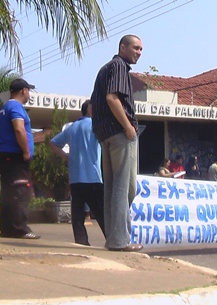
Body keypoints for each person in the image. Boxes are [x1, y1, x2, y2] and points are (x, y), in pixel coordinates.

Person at [90, 34, 143, 252]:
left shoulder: (104, 69)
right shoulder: (119, 67)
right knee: (125, 189)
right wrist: (128, 127)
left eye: (141, 49)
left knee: (112, 189)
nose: (139, 52)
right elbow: (112, 98)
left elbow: (94, 103)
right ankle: (121, 240)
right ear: (123, 47)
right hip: (121, 135)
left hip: (105, 136)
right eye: (136, 48)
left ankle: (113, 239)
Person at [50, 100, 105, 246]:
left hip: (75, 177)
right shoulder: (95, 125)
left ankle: (81, 242)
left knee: (78, 215)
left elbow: (53, 143)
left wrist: (66, 157)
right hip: (92, 176)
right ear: (90, 110)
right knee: (102, 212)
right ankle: (113, 239)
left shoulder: (72, 127)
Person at [0, 78, 40, 239]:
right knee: (20, 191)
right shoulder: (15, 106)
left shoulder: (4, 108)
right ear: (23, 91)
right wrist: (26, 151)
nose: (29, 93)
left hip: (5, 155)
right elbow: (19, 129)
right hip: (16, 157)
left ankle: (7, 229)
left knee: (8, 192)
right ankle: (20, 229)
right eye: (28, 90)